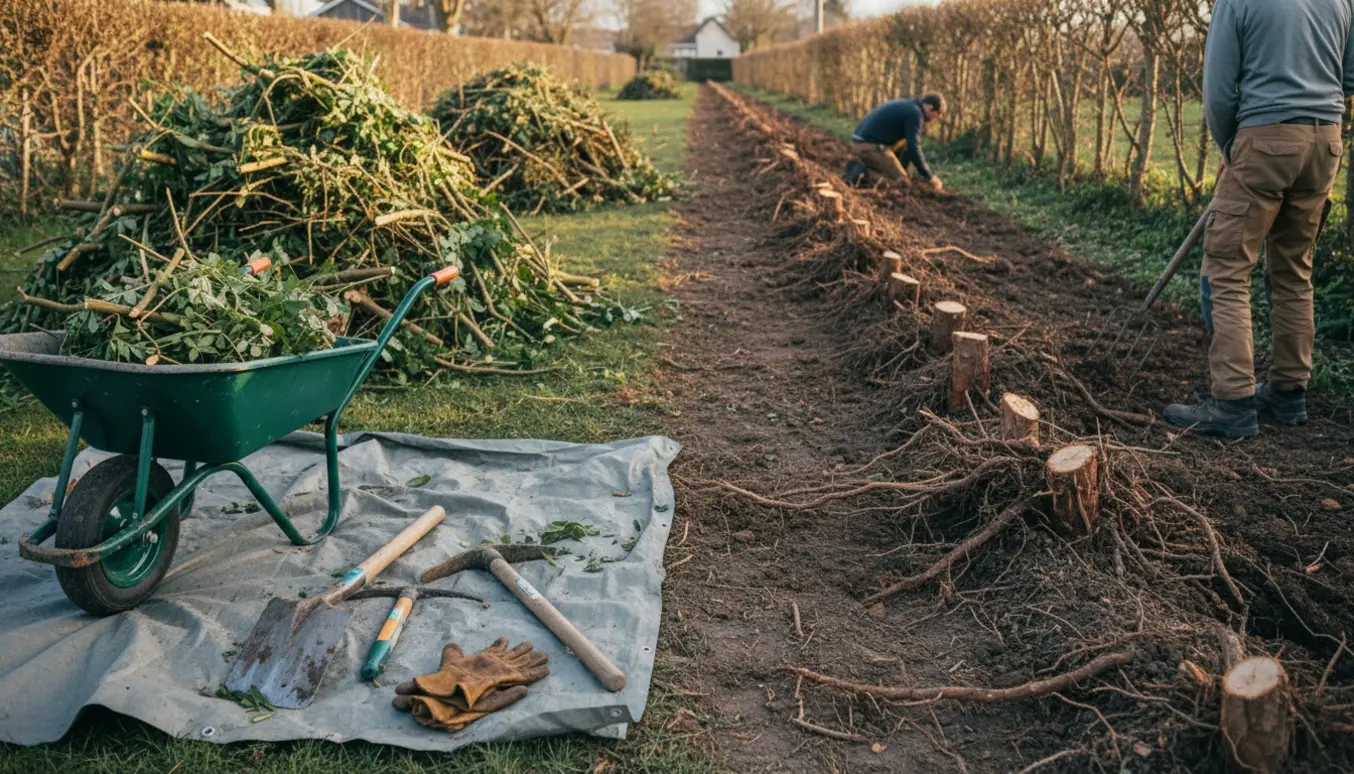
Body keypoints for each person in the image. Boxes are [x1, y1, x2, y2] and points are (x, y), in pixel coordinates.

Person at [1162, 0, 1353, 438]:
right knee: (1293, 269)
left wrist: (1234, 148)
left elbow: (1217, 90)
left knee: (1227, 268)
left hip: (1264, 137)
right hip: (1325, 142)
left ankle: (1232, 401)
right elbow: (1349, 76)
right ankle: (1288, 393)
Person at [843, 93, 944, 192]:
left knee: (905, 144)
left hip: (863, 142)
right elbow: (914, 147)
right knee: (902, 183)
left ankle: (886, 170)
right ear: (930, 107)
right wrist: (929, 176)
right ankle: (862, 173)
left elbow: (909, 145)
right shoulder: (915, 114)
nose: (936, 118)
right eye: (938, 113)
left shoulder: (910, 106)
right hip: (869, 146)